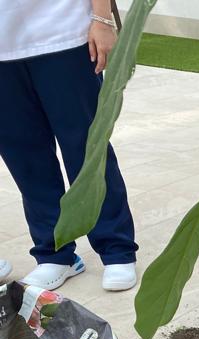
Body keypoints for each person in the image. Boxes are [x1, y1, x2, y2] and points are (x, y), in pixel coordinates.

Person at [0, 0, 139, 292]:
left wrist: (102, 20)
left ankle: (116, 248)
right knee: (26, 158)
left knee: (87, 149)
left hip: (64, 35)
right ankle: (55, 254)